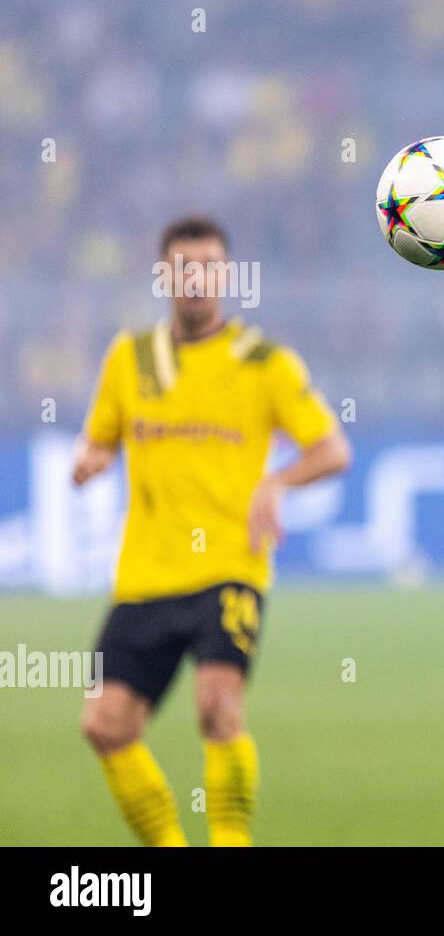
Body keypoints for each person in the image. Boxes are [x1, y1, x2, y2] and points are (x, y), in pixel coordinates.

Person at [73, 216, 352, 846]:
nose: (196, 279)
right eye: (183, 267)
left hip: (230, 566)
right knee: (105, 724)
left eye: (208, 266)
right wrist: (91, 458)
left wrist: (276, 483)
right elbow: (100, 436)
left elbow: (333, 449)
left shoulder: (264, 362)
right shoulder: (129, 357)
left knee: (218, 706)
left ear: (226, 275)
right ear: (165, 276)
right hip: (145, 576)